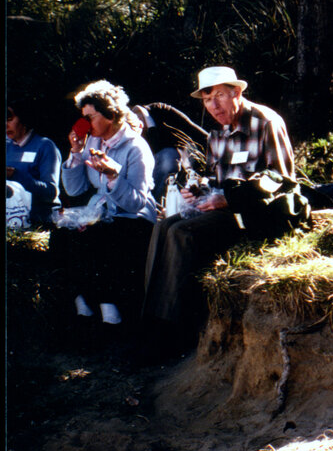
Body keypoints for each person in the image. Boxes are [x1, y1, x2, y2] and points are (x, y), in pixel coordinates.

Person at [142, 66, 295, 351]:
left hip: (255, 213)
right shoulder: (217, 134)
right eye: (207, 100)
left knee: (182, 234)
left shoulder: (265, 122)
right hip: (224, 209)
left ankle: (172, 333)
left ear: (237, 92)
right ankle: (151, 321)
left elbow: (281, 179)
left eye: (220, 97)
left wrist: (230, 199)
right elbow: (216, 181)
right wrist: (198, 189)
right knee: (163, 226)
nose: (213, 106)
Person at [51, 80, 157, 331]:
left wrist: (112, 177)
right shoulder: (93, 143)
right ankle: (83, 308)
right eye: (83, 118)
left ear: (110, 113)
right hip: (100, 211)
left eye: (91, 117)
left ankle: (111, 317)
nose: (86, 124)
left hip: (133, 216)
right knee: (62, 234)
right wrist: (76, 154)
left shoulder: (136, 147)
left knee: (98, 236)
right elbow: (75, 190)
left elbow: (136, 203)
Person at [131, 102, 209, 201]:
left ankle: (154, 202)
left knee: (168, 157)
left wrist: (218, 146)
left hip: (176, 163)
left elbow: (195, 132)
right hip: (143, 173)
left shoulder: (161, 112)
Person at [6, 101, 62, 225]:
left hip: (38, 221)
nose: (5, 125)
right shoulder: (7, 146)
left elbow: (51, 192)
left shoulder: (45, 146)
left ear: (23, 117)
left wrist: (15, 175)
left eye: (9, 118)